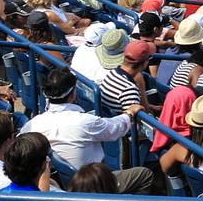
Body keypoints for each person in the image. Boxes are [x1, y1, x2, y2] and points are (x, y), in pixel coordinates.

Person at [22, 67, 157, 193]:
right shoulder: (85, 122)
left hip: (60, 185)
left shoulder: (32, 125)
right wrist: (129, 114)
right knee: (144, 174)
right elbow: (115, 128)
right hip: (92, 184)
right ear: (73, 93)